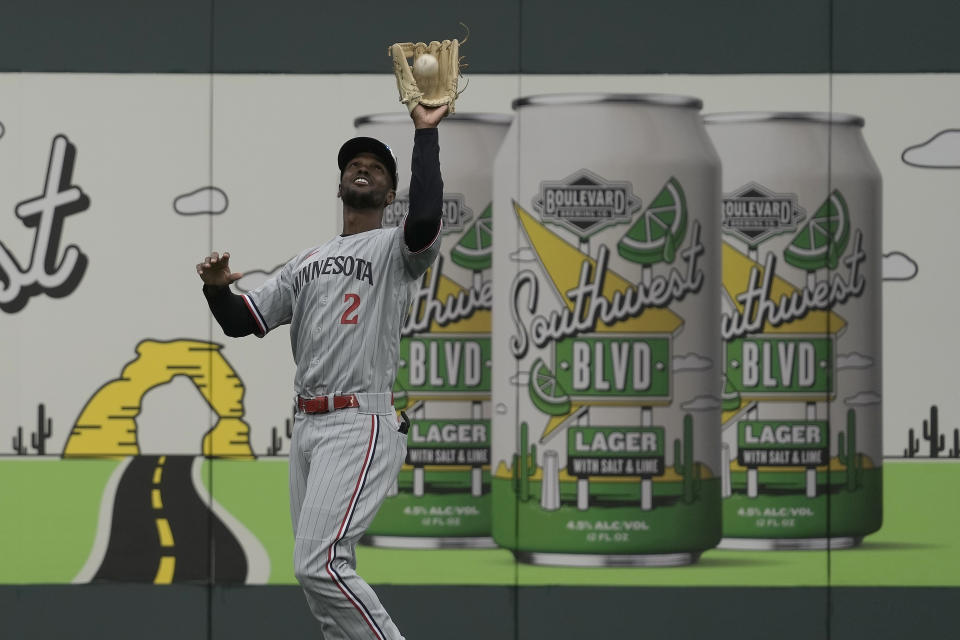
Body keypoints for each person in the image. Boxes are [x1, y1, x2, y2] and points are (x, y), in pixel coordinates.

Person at [196, 103, 448, 640]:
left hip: (359, 420)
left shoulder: (393, 249)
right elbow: (244, 321)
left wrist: (425, 134)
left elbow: (425, 218)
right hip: (308, 428)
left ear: (388, 195)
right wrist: (217, 289)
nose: (363, 168)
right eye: (354, 164)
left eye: (377, 169)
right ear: (339, 188)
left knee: (320, 565)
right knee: (320, 585)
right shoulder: (307, 261)